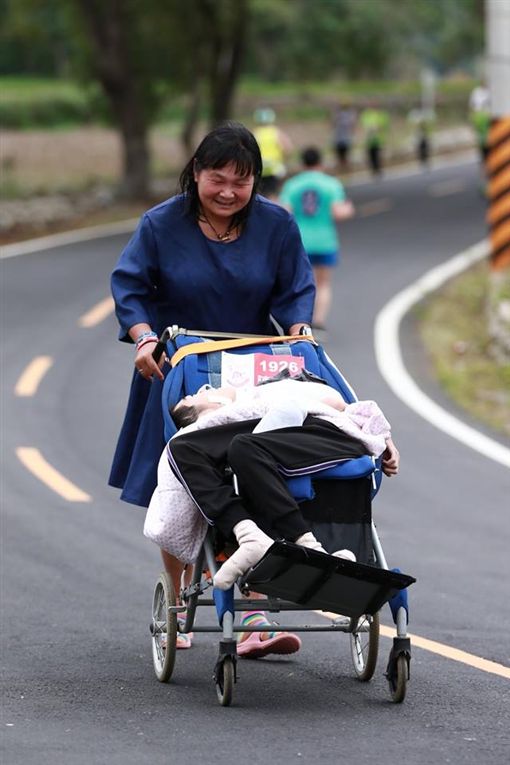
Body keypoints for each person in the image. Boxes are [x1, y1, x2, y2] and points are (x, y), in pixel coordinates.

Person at [109, 121, 315, 653]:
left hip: (251, 367)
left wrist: (297, 328)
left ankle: (251, 617)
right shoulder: (160, 225)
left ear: (255, 184)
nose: (228, 192)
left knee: (253, 473)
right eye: (217, 178)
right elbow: (130, 286)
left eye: (241, 182)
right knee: (180, 483)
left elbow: (295, 288)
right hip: (177, 367)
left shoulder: (276, 225)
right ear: (196, 173)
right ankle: (179, 599)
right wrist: (143, 338)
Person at [159, 376, 399, 653]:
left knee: (244, 446)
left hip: (321, 431)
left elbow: (338, 403)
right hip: (266, 440)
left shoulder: (276, 389)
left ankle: (309, 546)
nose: (200, 391)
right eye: (192, 398)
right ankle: (248, 534)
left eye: (191, 396)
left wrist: (385, 437)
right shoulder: (219, 420)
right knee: (184, 448)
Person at [279, 147, 355, 330]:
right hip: (324, 241)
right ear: (320, 163)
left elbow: (284, 211)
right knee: (323, 283)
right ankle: (319, 321)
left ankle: (303, 321)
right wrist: (349, 209)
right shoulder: (331, 184)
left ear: (302, 163)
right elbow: (338, 212)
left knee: (301, 283)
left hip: (300, 241)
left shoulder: (292, 185)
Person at [253, 108, 293, 200]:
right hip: (274, 168)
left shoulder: (255, 133)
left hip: (260, 169)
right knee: (273, 194)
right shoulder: (276, 132)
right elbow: (287, 148)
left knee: (260, 195)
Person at [360, 104, 390, 176]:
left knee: (377, 155)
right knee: (371, 155)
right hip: (369, 139)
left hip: (378, 139)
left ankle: (378, 169)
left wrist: (377, 128)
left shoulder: (381, 114)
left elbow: (384, 125)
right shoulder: (367, 115)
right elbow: (363, 125)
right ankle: (373, 170)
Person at [332, 103, 357, 171]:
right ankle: (342, 168)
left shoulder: (349, 115)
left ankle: (345, 169)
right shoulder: (338, 115)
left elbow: (352, 126)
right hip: (339, 138)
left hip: (345, 138)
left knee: (345, 155)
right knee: (340, 155)